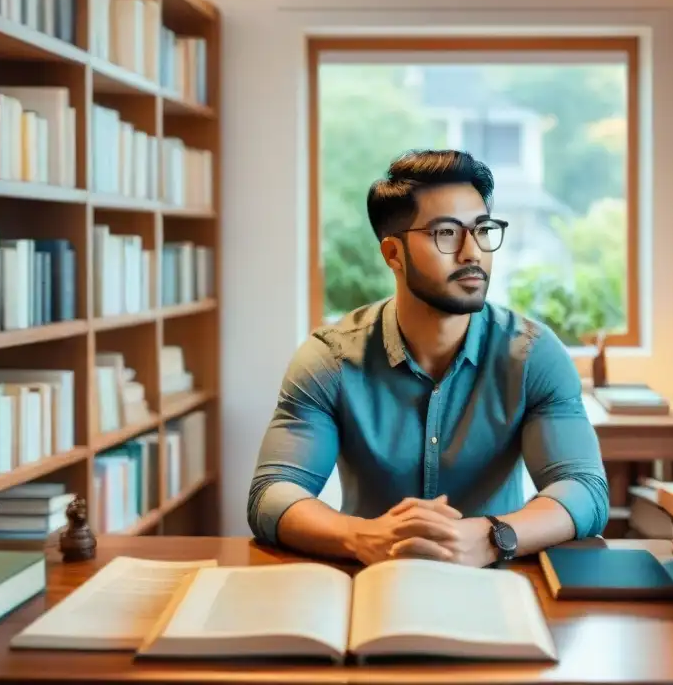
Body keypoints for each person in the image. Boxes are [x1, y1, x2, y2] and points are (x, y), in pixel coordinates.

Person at [247, 149, 609, 568]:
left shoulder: (532, 354)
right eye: (446, 234)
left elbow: (584, 488)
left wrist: (493, 536)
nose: (472, 252)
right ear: (392, 254)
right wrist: (359, 535)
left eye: (482, 230)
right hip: (370, 580)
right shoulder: (330, 359)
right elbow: (272, 492)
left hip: (496, 582)